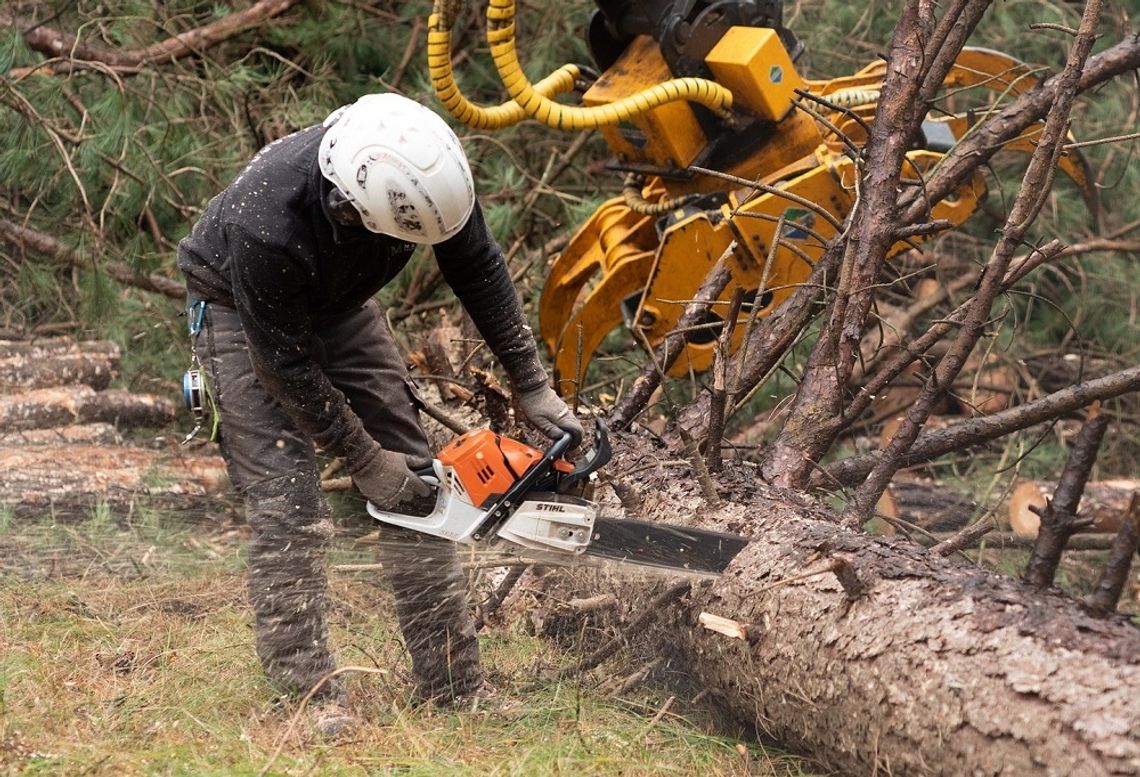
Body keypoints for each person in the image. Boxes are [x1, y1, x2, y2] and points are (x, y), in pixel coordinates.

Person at [177, 92, 584, 732]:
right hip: (239, 310)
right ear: (347, 206)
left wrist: (530, 383)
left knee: (419, 484)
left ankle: (453, 683)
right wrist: (363, 459)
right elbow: (283, 365)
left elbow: (477, 266)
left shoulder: (426, 176)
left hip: (341, 307)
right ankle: (309, 697)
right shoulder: (267, 218)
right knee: (289, 502)